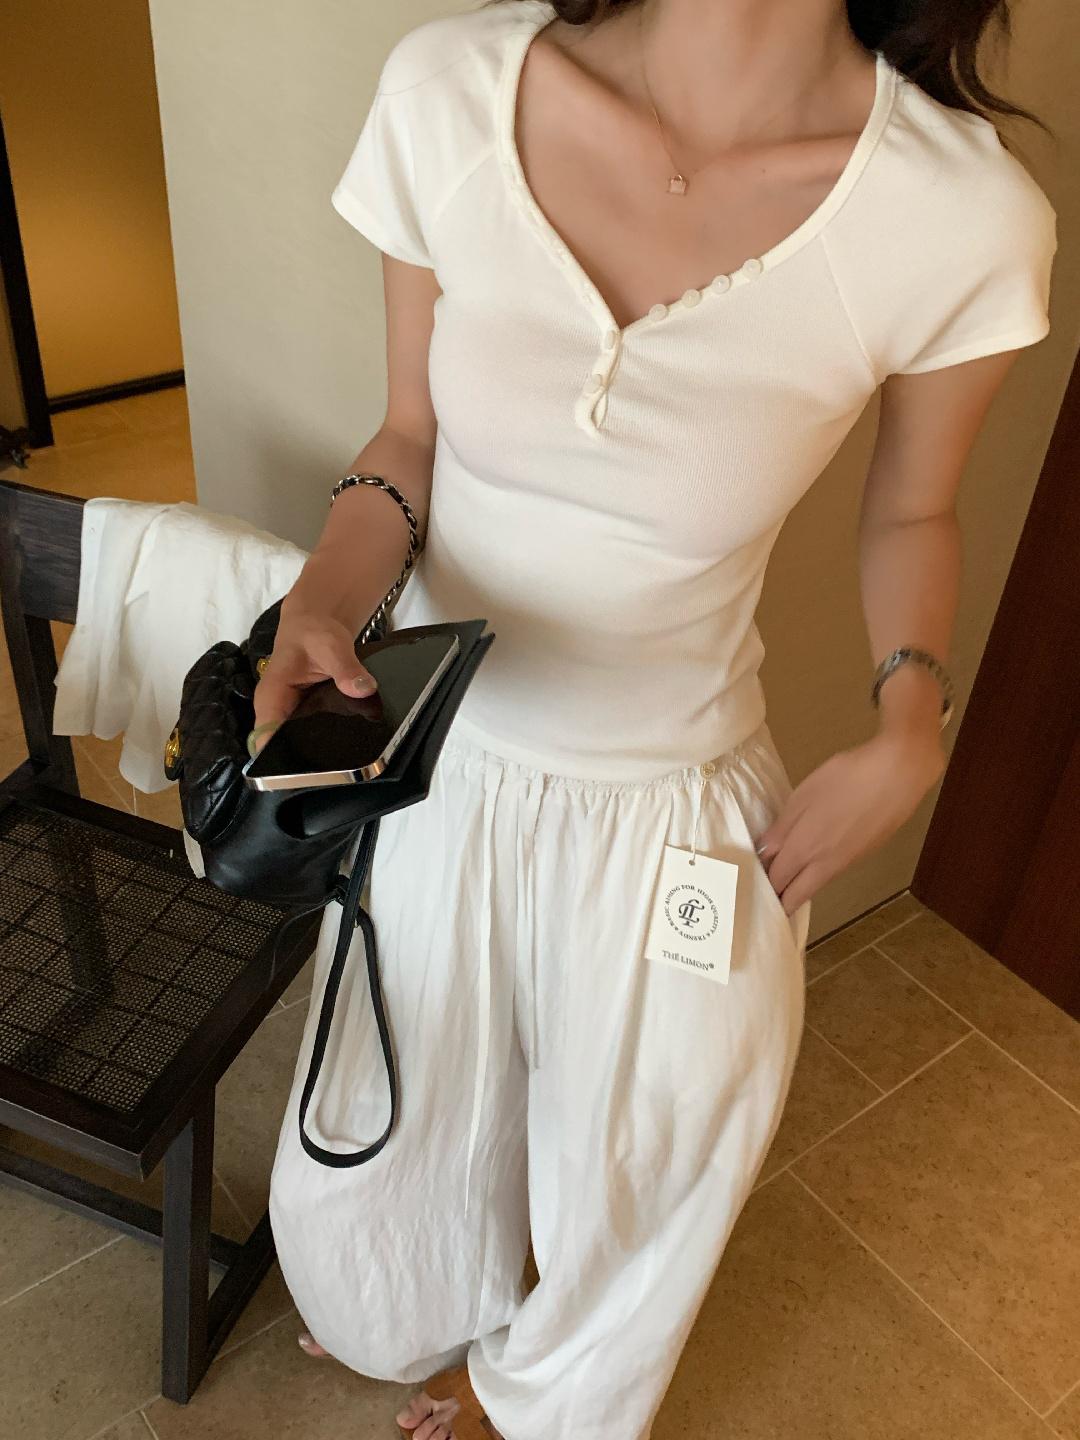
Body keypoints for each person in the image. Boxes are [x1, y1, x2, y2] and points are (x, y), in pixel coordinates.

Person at [260, 1, 1058, 1436]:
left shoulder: (959, 215)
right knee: (397, 1116)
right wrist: (324, 595)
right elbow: (408, 438)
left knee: (660, 1154)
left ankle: (525, 1397)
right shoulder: (451, 90)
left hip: (678, 797)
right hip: (439, 762)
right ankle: (425, 1306)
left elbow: (912, 508)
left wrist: (912, 722)